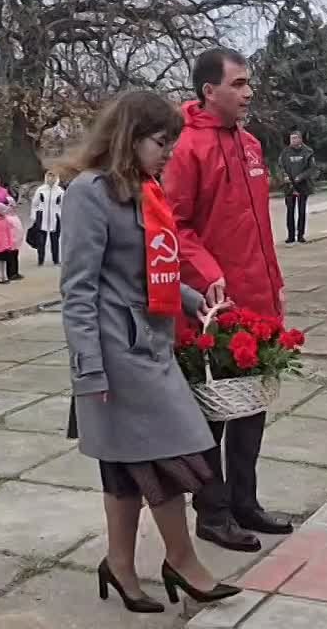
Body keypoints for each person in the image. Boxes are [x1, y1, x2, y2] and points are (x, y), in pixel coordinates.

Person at [59, 90, 240, 613]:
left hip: (149, 345)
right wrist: (88, 370)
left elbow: (146, 273)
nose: (169, 153)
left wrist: (194, 300)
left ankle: (119, 564)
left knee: (125, 466)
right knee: (171, 458)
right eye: (162, 142)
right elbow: (78, 290)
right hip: (117, 355)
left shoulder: (144, 189)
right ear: (129, 137)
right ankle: (182, 560)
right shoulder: (90, 193)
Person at [162, 47, 290, 551]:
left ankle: (244, 501)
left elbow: (258, 228)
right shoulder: (187, 149)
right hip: (211, 306)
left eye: (248, 83)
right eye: (238, 84)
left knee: (251, 407)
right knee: (212, 413)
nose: (248, 93)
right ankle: (212, 513)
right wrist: (210, 273)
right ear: (208, 90)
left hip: (257, 300)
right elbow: (175, 225)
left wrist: (275, 286)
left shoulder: (250, 144)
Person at [278, 130, 316, 244]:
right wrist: (284, 176)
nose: (293, 140)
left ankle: (300, 235)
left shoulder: (308, 152)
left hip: (303, 186)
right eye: (292, 138)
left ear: (300, 139)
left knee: (302, 211)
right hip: (289, 186)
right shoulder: (285, 152)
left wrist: (301, 177)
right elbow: (281, 166)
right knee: (290, 211)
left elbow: (312, 168)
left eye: (295, 138)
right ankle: (290, 236)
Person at [0, 172, 22, 281]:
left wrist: (9, 205)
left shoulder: (3, 191)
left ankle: (10, 272)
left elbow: (11, 203)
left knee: (9, 246)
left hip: (6, 220)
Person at [30, 171, 64, 266]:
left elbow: (63, 206)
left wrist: (61, 216)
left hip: (55, 218)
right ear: (46, 177)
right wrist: (34, 216)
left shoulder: (60, 191)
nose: (51, 178)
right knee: (41, 241)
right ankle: (40, 260)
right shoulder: (41, 190)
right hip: (42, 217)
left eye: (53, 176)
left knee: (55, 240)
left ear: (56, 178)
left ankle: (56, 260)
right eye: (49, 176)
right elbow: (35, 204)